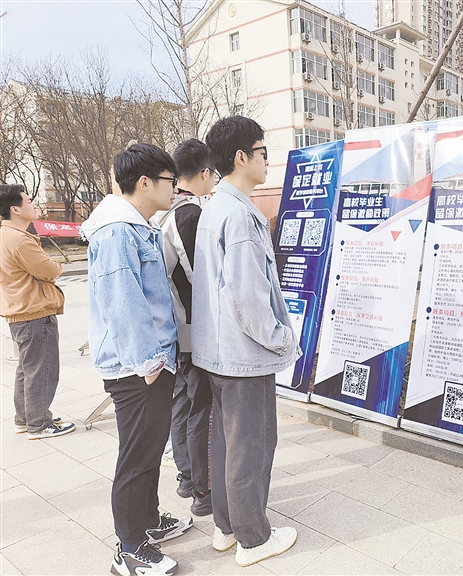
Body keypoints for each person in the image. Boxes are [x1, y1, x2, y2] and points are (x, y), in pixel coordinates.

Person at [192, 116, 301, 567]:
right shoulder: (238, 214)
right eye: (262, 152)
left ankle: (226, 527)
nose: (266, 160)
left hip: (219, 353)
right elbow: (248, 295)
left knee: (227, 443)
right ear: (241, 157)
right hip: (243, 354)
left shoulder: (216, 206)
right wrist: (280, 339)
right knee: (251, 447)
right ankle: (253, 539)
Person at [82, 143, 192, 576]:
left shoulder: (136, 227)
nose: (175, 189)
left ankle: (147, 521)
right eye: (170, 181)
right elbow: (122, 302)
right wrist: (148, 363)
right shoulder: (116, 233)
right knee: (137, 455)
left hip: (150, 362)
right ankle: (129, 548)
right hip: (137, 367)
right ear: (145, 183)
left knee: (148, 449)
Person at [151, 138, 216, 516]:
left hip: (174, 328)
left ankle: (187, 476)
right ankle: (202, 489)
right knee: (200, 408)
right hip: (193, 328)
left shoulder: (165, 212)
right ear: (205, 173)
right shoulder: (189, 214)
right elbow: (201, 278)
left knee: (183, 403)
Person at [0, 184, 74, 440]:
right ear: (15, 209)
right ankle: (40, 423)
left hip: (19, 311)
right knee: (42, 369)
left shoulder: (5, 235)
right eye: (28, 200)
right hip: (34, 313)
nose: (33, 204)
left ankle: (25, 418)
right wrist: (57, 266)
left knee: (27, 368)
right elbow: (48, 270)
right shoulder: (20, 240)